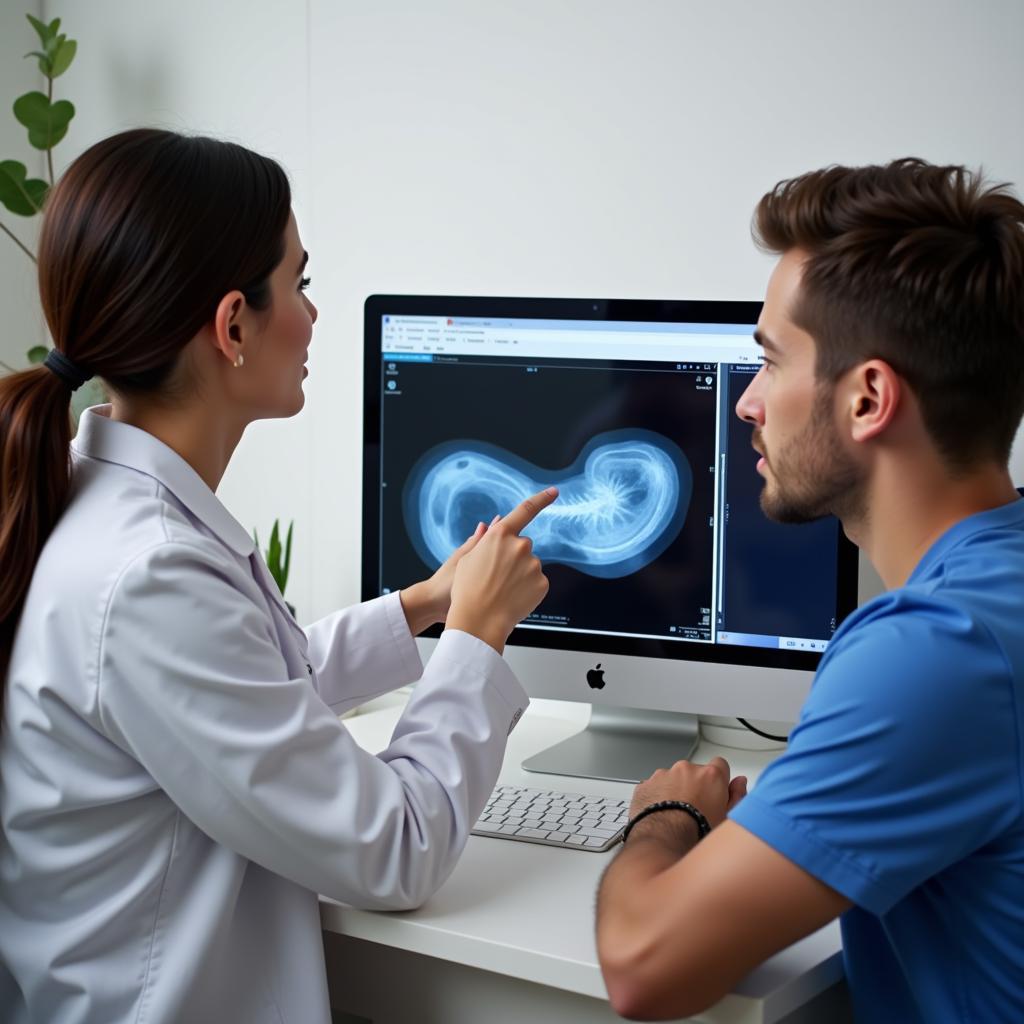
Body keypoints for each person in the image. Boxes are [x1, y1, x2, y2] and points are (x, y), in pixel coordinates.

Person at [0, 128, 558, 1024]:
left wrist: (422, 606)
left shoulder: (93, 500)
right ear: (231, 326)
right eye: (299, 282)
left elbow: (249, 685)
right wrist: (475, 639)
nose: (312, 313)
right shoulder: (149, 574)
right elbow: (397, 851)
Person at [596, 158, 1024, 1022]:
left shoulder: (936, 648)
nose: (747, 402)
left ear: (868, 398)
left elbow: (642, 967)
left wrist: (668, 812)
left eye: (770, 360)